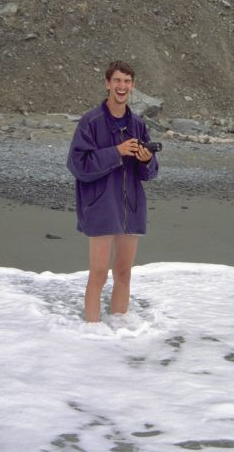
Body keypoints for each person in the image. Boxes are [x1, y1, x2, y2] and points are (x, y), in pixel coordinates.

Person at [66, 60, 159, 322]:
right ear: (108, 84)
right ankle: (92, 333)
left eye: (127, 81)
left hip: (131, 208)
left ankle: (120, 335)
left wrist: (145, 159)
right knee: (98, 274)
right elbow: (77, 164)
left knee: (123, 273)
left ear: (133, 86)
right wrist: (116, 151)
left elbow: (150, 173)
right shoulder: (90, 121)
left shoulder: (138, 125)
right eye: (117, 80)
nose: (122, 86)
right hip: (100, 206)